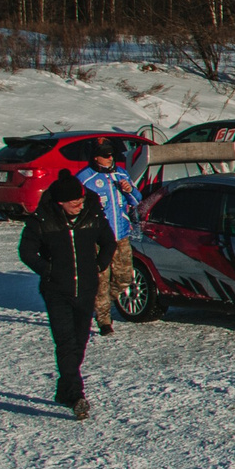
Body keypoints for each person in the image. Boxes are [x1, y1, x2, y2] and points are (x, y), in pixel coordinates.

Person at [18, 170, 114, 418]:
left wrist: (100, 264)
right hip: (56, 291)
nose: (79, 206)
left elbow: (109, 241)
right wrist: (48, 270)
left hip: (86, 289)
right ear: (60, 202)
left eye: (81, 201)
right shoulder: (42, 220)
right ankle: (76, 395)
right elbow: (27, 252)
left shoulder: (92, 215)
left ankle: (64, 390)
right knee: (65, 342)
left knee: (80, 343)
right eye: (74, 203)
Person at [77, 139, 143, 335]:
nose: (110, 158)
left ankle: (98, 304)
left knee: (124, 277)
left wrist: (129, 190)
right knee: (101, 280)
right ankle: (104, 321)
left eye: (111, 154)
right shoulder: (85, 178)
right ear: (95, 157)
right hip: (97, 239)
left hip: (120, 234)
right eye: (105, 155)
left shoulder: (121, 173)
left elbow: (136, 199)